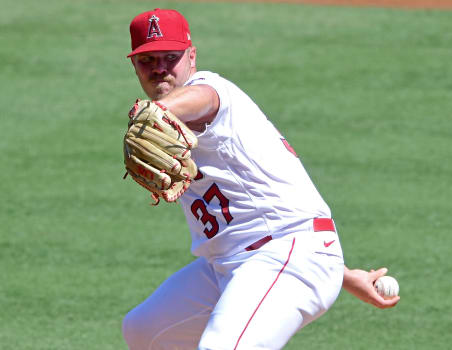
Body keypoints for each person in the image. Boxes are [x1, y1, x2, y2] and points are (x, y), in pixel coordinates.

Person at [122, 8, 399, 350]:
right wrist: (343, 276)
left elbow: (206, 99)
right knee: (144, 331)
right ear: (134, 65)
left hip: (288, 252)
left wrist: (161, 111)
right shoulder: (165, 124)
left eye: (170, 57)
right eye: (148, 59)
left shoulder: (209, 91)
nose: (160, 68)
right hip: (234, 264)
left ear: (191, 57)